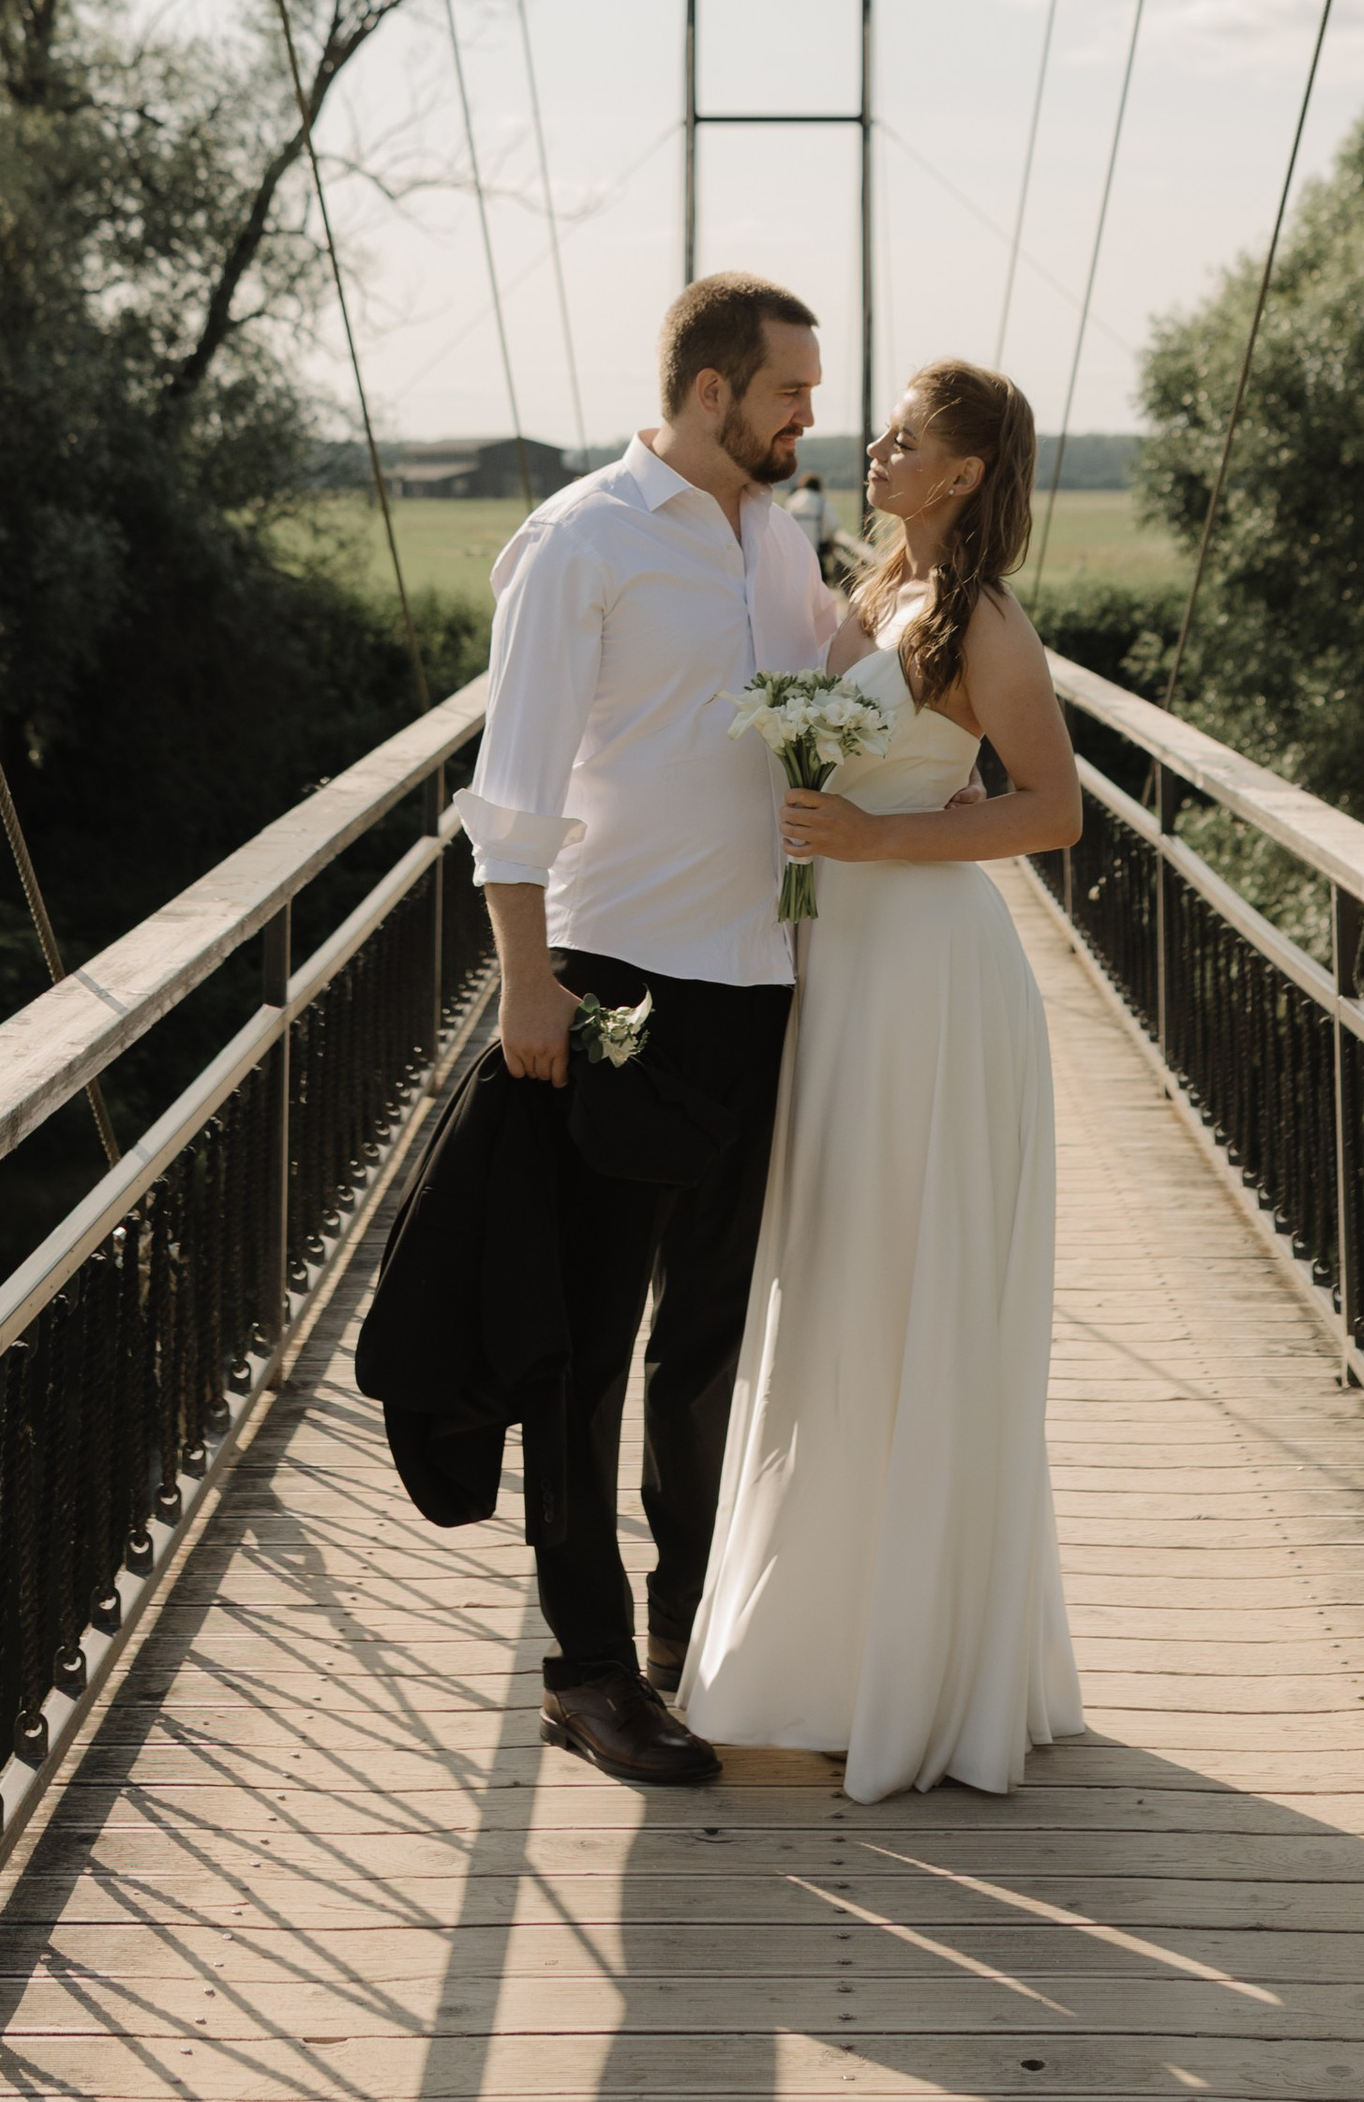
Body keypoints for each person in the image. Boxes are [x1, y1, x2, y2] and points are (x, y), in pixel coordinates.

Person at [681, 358, 1086, 1802]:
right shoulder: (876, 593)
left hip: (927, 983)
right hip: (836, 969)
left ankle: (920, 1670)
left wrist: (875, 841)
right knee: (836, 1286)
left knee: (906, 1287)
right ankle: (839, 1647)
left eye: (907, 438)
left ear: (963, 474)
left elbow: (1056, 810)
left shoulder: (983, 620)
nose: (878, 447)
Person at [454, 272, 839, 1787]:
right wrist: (527, 982)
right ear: (710, 391)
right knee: (588, 1342)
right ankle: (588, 1670)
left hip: (761, 985)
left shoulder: (780, 539)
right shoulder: (584, 541)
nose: (808, 417)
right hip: (617, 985)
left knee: (709, 1337)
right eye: (790, 391)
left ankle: (690, 1626)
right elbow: (512, 785)